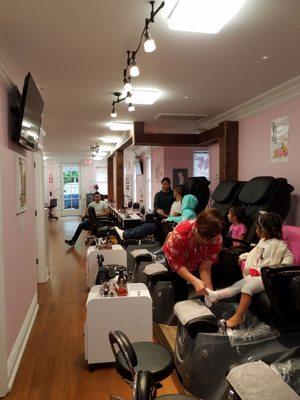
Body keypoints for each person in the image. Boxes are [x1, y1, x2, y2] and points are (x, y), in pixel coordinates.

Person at [205, 212, 294, 328]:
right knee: (238, 285)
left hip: (267, 276)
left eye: (257, 227)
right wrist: (244, 256)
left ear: (264, 230)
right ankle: (215, 295)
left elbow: (289, 257)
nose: (256, 229)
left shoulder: (280, 245)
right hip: (256, 274)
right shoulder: (262, 241)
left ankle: (238, 318)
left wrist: (277, 268)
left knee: (247, 288)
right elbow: (254, 252)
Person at [162, 208, 224, 302]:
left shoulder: (216, 239)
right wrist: (194, 281)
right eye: (203, 238)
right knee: (180, 289)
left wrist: (210, 293)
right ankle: (179, 309)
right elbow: (177, 264)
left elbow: (205, 268)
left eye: (210, 240)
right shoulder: (180, 233)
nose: (206, 242)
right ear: (196, 227)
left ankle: (203, 309)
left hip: (195, 260)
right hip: (175, 258)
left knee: (207, 293)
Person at [115, 185, 185, 241]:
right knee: (144, 225)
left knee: (146, 227)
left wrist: (163, 214)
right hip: (165, 222)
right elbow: (170, 216)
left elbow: (173, 218)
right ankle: (125, 232)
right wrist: (162, 213)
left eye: (174, 191)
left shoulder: (180, 204)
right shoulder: (175, 202)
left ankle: (125, 234)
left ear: (177, 192)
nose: (173, 193)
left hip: (168, 225)